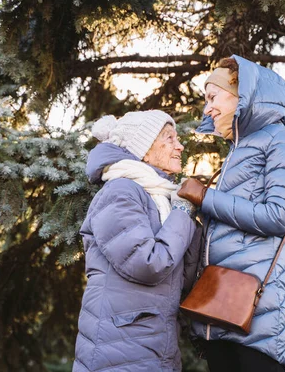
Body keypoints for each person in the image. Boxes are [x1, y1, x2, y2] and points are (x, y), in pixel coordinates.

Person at [178, 55, 285, 372]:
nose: (207, 109)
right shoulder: (237, 151)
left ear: (243, 93)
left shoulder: (283, 139)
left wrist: (205, 198)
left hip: (256, 319)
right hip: (219, 309)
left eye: (213, 97)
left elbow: (277, 217)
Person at [73, 110, 201, 372]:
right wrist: (181, 212)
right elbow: (147, 264)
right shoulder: (121, 191)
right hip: (120, 347)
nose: (180, 145)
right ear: (143, 149)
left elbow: (180, 278)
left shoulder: (162, 198)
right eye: (169, 138)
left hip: (153, 344)